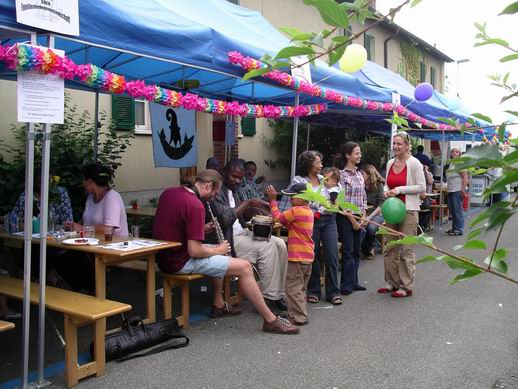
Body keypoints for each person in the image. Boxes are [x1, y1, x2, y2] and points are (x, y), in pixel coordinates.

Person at [153, 169, 298, 334]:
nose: (214, 197)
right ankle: (270, 320)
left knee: (220, 254)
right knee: (244, 267)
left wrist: (202, 229)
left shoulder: (170, 192)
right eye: (215, 193)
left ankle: (219, 303)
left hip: (164, 256)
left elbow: (175, 226)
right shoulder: (195, 205)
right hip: (180, 261)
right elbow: (194, 250)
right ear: (208, 185)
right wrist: (218, 249)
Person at [207, 160, 288, 313]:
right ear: (224, 172)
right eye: (234, 176)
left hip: (242, 233)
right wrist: (249, 201)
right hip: (227, 238)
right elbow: (226, 218)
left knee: (280, 244)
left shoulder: (234, 190)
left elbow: (241, 214)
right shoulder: (218, 191)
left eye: (240, 178)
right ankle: (268, 298)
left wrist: (258, 206)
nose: (237, 181)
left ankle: (278, 294)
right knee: (268, 247)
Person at [281, 151, 341, 305]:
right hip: (311, 221)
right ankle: (313, 291)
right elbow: (303, 200)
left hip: (329, 220)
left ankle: (333, 292)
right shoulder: (299, 180)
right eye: (318, 162)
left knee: (332, 254)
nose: (321, 165)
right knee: (312, 255)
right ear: (309, 164)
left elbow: (336, 195)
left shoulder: (324, 179)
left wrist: (334, 199)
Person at [378, 132, 426, 298]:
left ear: (407, 146)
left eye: (399, 144)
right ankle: (391, 282)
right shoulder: (391, 162)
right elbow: (386, 184)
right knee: (390, 247)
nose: (396, 147)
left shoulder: (415, 163)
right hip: (391, 210)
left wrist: (399, 190)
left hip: (409, 210)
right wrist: (386, 192)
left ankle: (405, 286)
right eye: (394, 144)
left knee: (407, 249)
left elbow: (422, 187)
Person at [267, 183, 314, 325]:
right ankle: (296, 313)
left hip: (297, 256)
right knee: (300, 287)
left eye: (293, 197)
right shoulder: (308, 212)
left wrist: (273, 200)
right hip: (308, 256)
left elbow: (278, 219)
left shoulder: (296, 211)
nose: (291, 200)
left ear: (302, 198)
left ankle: (299, 317)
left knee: (293, 288)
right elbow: (291, 225)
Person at [334, 142, 368, 296]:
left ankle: (354, 281)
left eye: (360, 153)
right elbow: (340, 201)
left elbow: (364, 197)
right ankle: (346, 284)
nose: (359, 156)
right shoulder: (341, 175)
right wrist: (353, 220)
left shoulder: (360, 174)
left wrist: (364, 216)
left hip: (359, 215)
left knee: (356, 250)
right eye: (356, 153)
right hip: (346, 217)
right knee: (347, 251)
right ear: (348, 155)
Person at [71, 163, 128, 237]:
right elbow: (86, 222)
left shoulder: (112, 197)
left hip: (115, 245)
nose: (82, 183)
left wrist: (82, 228)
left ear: (89, 181)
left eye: (83, 180)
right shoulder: (90, 197)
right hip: (93, 244)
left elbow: (109, 228)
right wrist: (74, 226)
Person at [360, 164, 385, 260]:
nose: (360, 176)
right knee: (360, 226)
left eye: (362, 174)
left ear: (369, 174)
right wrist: (364, 217)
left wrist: (369, 218)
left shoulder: (379, 186)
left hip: (376, 213)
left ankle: (370, 248)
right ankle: (363, 248)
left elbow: (381, 205)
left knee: (370, 227)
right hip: (363, 212)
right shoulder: (360, 185)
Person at [445, 148, 469, 236]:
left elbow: (465, 178)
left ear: (459, 154)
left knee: (457, 210)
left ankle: (459, 229)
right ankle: (454, 227)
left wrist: (463, 190)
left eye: (456, 152)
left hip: (457, 190)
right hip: (451, 190)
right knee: (452, 210)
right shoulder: (451, 163)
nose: (454, 153)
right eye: (453, 151)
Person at [418, 165, 434, 232]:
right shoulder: (417, 176)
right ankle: (421, 226)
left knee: (428, 209)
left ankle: (421, 225)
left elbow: (430, 181)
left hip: (424, 200)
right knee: (429, 210)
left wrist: (426, 172)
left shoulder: (428, 174)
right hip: (421, 200)